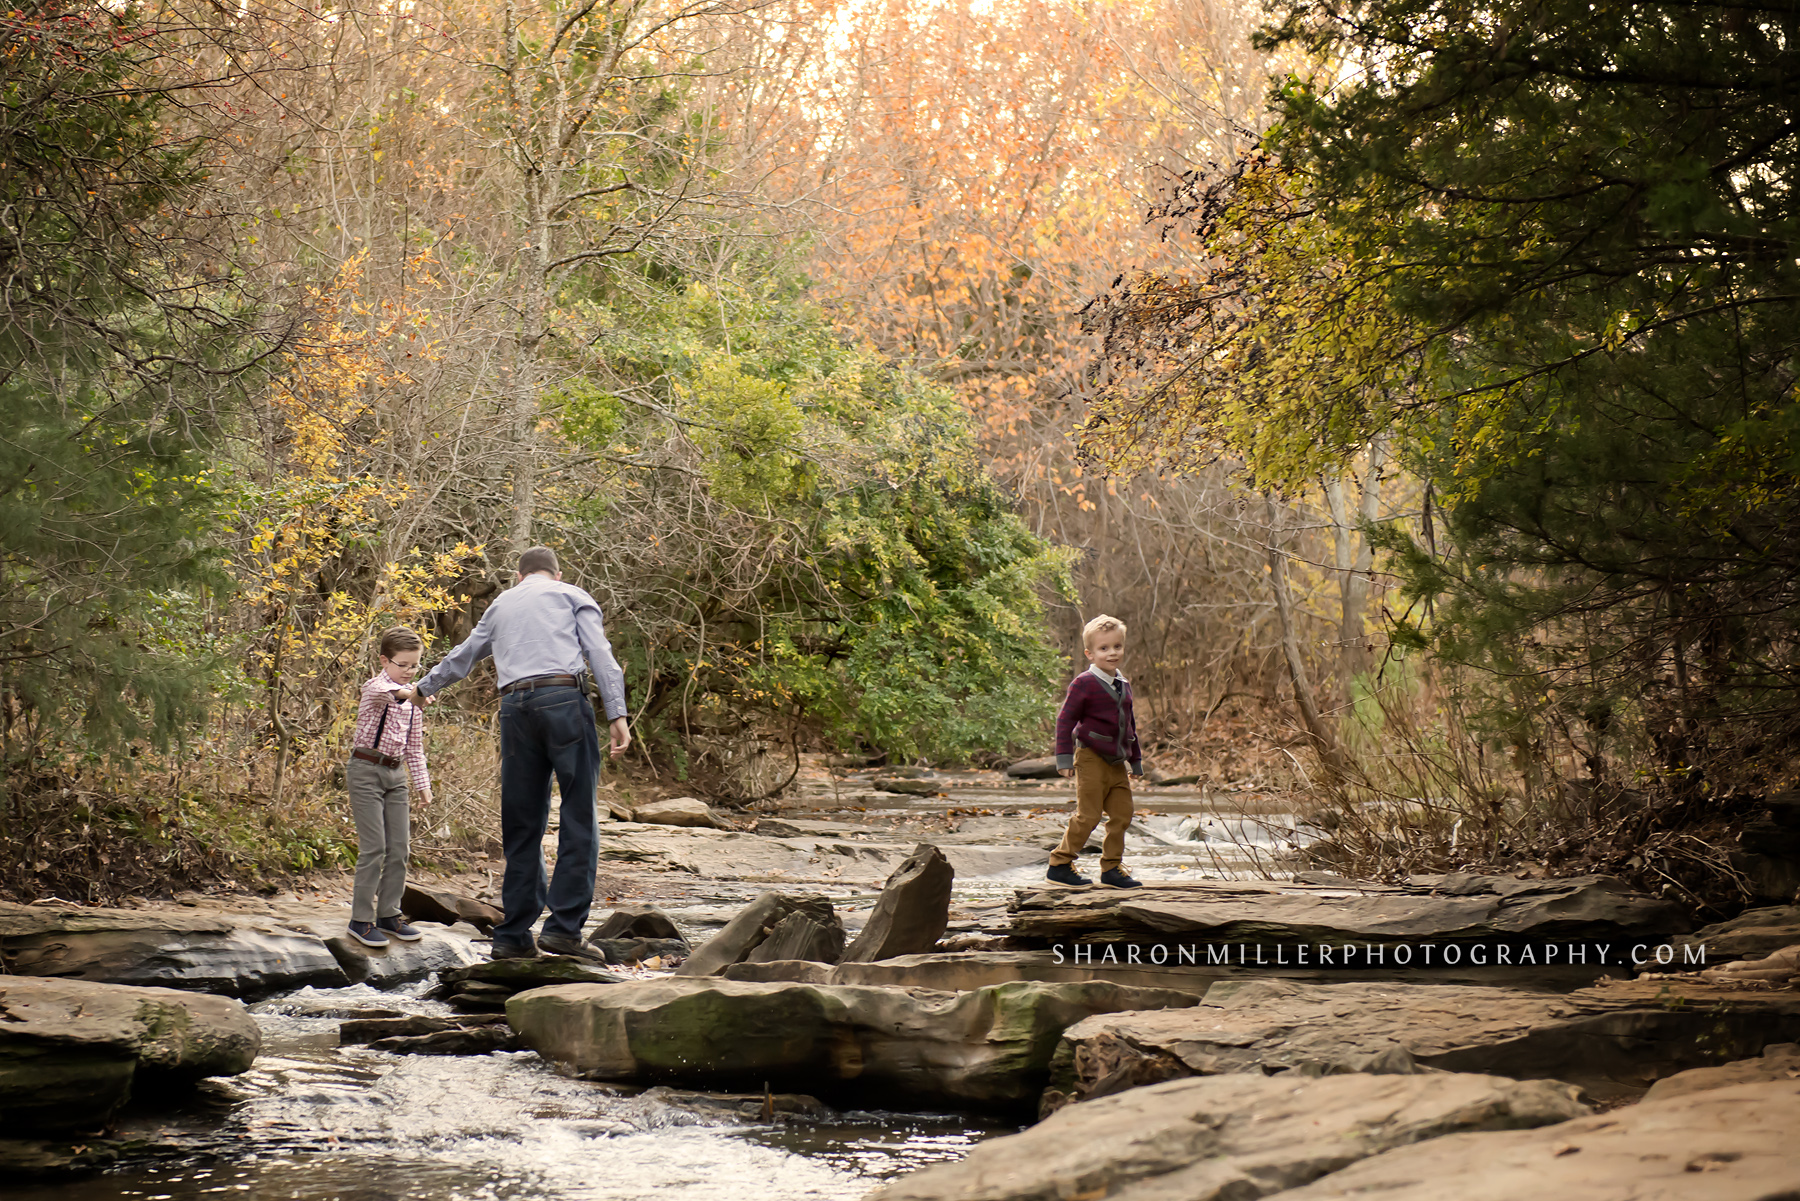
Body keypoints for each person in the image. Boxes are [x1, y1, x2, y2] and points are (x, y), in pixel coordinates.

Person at [391, 546, 630, 961]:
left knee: (521, 822)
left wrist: (421, 688)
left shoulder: (501, 603)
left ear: (519, 576)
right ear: (556, 573)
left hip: (515, 709)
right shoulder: (572, 595)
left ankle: (514, 935)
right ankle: (564, 931)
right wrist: (617, 713)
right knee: (579, 816)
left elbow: (463, 656)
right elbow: (601, 656)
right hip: (563, 701)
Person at [345, 626, 434, 947]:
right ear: (385, 661)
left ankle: (388, 914)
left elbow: (414, 747)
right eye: (403, 665)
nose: (410, 671)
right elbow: (391, 694)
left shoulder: (414, 701)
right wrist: (416, 694)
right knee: (374, 848)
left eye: (415, 666)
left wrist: (423, 787)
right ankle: (360, 919)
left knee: (399, 849)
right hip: (365, 771)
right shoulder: (375, 688)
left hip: (396, 777)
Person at [1046, 613, 1143, 888]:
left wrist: (1135, 760)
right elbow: (1065, 720)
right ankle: (1060, 863)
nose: (1112, 653)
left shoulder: (1123, 684)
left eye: (1117, 647)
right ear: (1090, 653)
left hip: (1116, 761)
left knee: (1123, 814)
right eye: (1104, 648)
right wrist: (1064, 758)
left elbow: (1129, 725)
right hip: (1089, 757)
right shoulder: (1084, 683)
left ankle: (1111, 869)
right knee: (1088, 815)